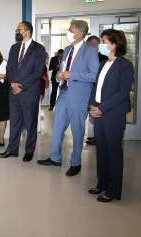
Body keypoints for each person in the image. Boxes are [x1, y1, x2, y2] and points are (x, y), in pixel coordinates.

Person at [37, 20, 99, 176]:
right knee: (57, 126)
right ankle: (55, 158)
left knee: (77, 131)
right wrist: (60, 76)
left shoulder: (90, 51)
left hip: (79, 96)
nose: (69, 33)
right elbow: (65, 68)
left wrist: (71, 75)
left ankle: (76, 163)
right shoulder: (67, 49)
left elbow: (94, 75)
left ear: (80, 34)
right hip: (64, 93)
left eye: (71, 30)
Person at [88, 29, 134, 202]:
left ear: (114, 45)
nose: (100, 44)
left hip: (113, 113)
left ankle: (113, 191)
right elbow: (96, 88)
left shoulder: (126, 65)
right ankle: (102, 183)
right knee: (101, 150)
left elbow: (122, 93)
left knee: (113, 151)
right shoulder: (103, 63)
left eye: (103, 41)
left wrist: (102, 108)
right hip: (99, 112)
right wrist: (92, 105)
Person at [0, 21, 46, 162]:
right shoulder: (14, 48)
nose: (17, 32)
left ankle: (29, 150)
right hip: (13, 92)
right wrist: (12, 83)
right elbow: (9, 69)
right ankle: (12, 149)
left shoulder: (38, 49)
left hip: (29, 93)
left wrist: (21, 86)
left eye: (18, 30)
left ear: (27, 31)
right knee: (14, 123)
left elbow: (37, 73)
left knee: (30, 123)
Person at [85, 35, 109, 145]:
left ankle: (99, 138)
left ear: (94, 44)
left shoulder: (103, 57)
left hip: (104, 95)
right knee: (96, 117)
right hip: (96, 92)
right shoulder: (100, 58)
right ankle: (96, 137)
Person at [40, 52, 49, 120]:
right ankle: (37, 114)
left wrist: (47, 80)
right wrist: (47, 80)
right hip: (40, 82)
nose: (46, 57)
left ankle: (38, 113)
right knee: (39, 98)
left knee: (41, 98)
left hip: (43, 82)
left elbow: (45, 73)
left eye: (46, 56)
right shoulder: (39, 63)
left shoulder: (44, 64)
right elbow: (41, 74)